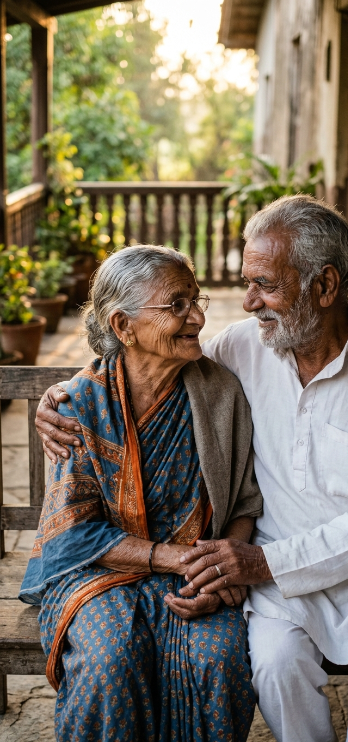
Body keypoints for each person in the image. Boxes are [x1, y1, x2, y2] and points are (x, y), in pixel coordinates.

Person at [38, 195, 348, 742]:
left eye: (265, 285)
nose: (247, 303)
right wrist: (61, 395)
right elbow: (138, 357)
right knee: (274, 662)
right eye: (246, 283)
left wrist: (258, 563)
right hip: (279, 583)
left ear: (325, 286)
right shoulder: (244, 347)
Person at [21, 244, 262, 742]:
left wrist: (222, 568)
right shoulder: (79, 404)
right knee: (110, 659)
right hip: (98, 573)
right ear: (122, 326)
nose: (195, 316)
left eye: (196, 301)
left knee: (217, 660)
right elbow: (77, 534)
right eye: (176, 305)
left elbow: (243, 502)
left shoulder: (220, 392)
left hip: (197, 573)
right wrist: (177, 560)